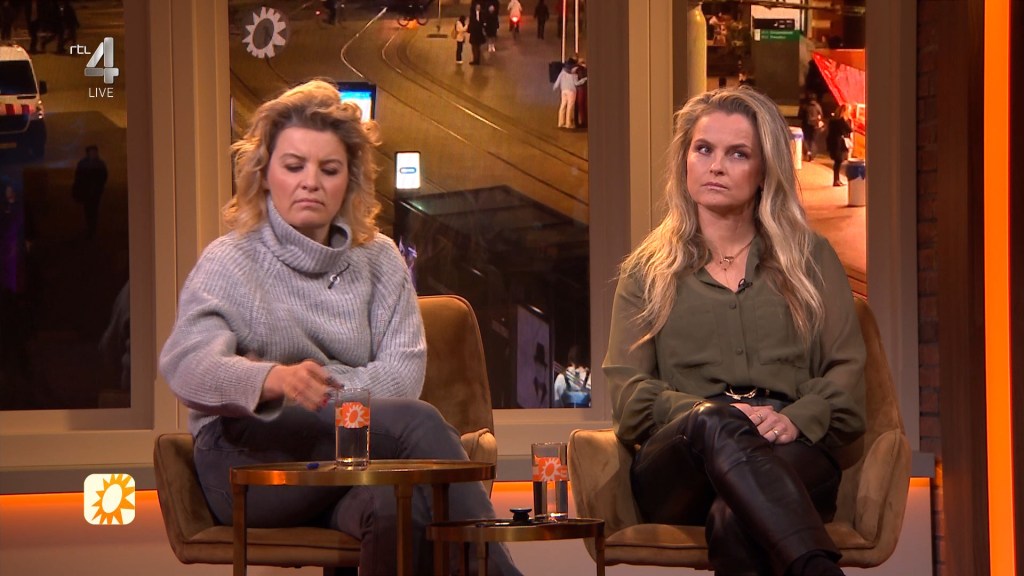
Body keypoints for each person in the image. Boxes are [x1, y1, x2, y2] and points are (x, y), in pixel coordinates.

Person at [158, 80, 521, 576]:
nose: (310, 182)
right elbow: (186, 366)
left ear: (350, 180)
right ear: (265, 174)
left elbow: (402, 377)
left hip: (354, 460)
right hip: (249, 464)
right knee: (419, 424)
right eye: (294, 166)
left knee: (397, 507)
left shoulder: (380, 260)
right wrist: (271, 380)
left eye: (328, 169)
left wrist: (316, 390)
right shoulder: (231, 260)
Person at [605, 86, 865, 576]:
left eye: (738, 154)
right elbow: (629, 397)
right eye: (703, 149)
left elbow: (846, 381)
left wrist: (794, 419)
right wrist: (712, 418)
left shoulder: (810, 259)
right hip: (680, 466)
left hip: (789, 449)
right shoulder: (646, 272)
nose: (716, 166)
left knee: (735, 519)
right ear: (685, 161)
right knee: (712, 422)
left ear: (764, 171)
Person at [72, 144, 109, 239]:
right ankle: (91, 227)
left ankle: (92, 228)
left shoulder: (98, 164)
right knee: (88, 209)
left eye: (94, 152)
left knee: (93, 209)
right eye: (92, 152)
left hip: (95, 191)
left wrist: (98, 186)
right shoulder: (85, 163)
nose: (93, 153)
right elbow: (78, 177)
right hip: (86, 191)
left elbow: (103, 177)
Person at [552, 59, 585, 129]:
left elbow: (558, 81)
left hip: (563, 91)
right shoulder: (574, 74)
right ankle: (568, 123)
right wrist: (584, 80)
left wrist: (555, 87)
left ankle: (560, 122)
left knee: (563, 106)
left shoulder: (562, 72)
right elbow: (576, 83)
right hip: (571, 91)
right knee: (570, 107)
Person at [826, 104, 854, 186]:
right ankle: (836, 181)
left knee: (838, 162)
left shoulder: (833, 120)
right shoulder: (841, 120)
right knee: (838, 162)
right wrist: (848, 120)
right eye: (848, 111)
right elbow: (849, 129)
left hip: (834, 143)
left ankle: (837, 180)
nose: (849, 113)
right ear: (844, 111)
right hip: (838, 144)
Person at [798, 93, 824, 162]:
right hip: (815, 125)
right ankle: (812, 156)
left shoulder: (805, 106)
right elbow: (821, 115)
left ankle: (807, 152)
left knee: (806, 139)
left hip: (806, 124)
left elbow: (800, 116)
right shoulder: (817, 106)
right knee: (813, 140)